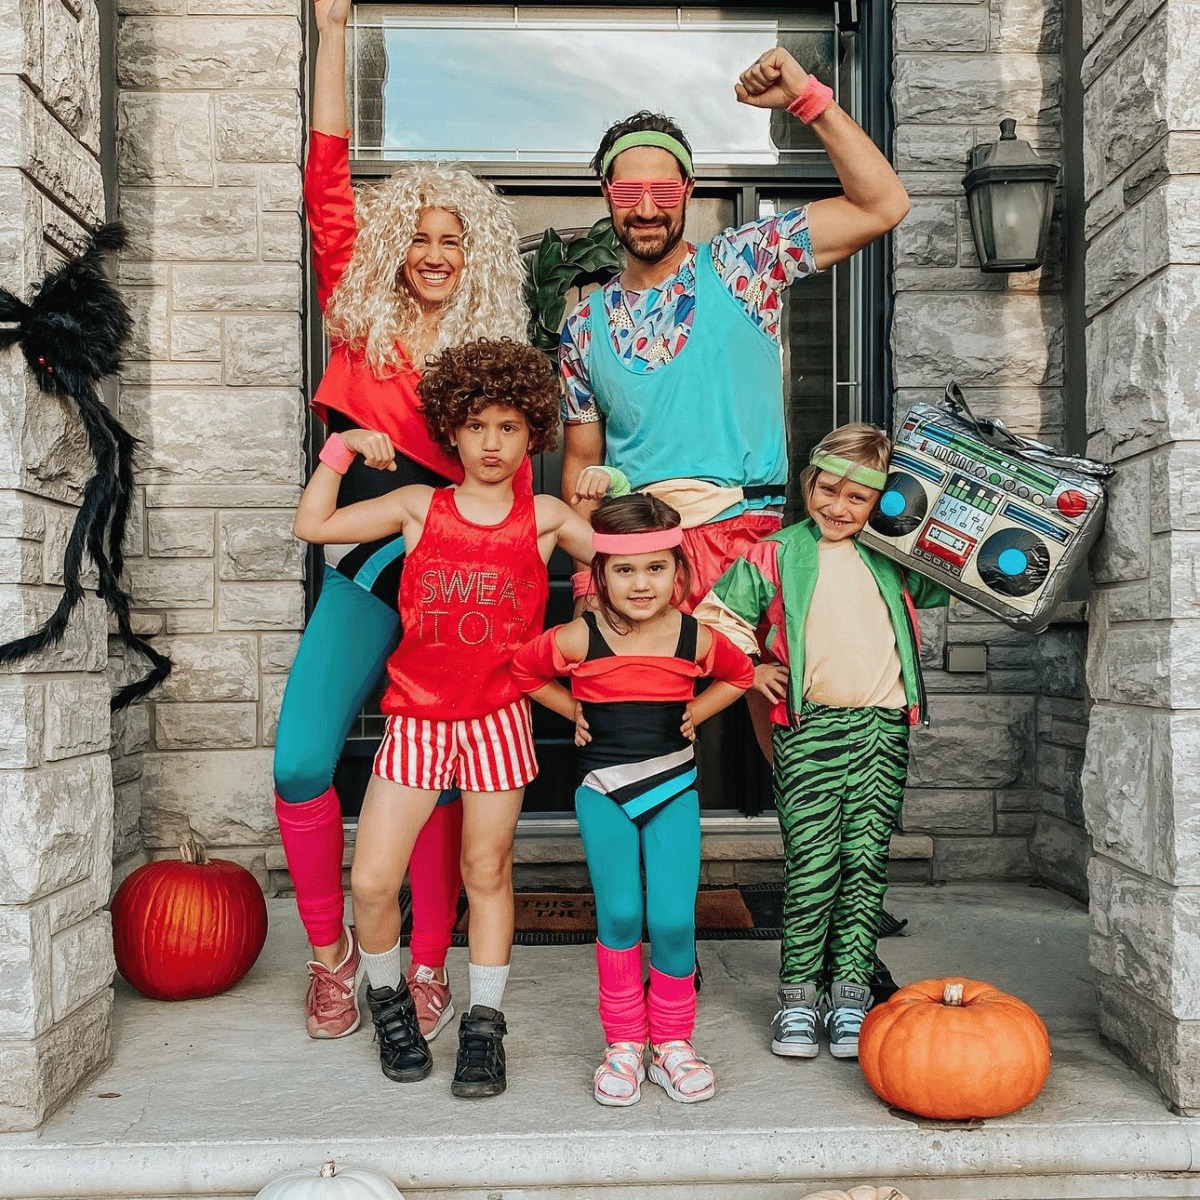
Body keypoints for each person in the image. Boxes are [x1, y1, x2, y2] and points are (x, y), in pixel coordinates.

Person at [273, 0, 530, 1043]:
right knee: (301, 761)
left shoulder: (486, 356)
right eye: (419, 237)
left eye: (452, 240)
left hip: (455, 562)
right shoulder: (355, 305)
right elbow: (326, 174)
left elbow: (510, 480)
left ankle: (423, 964)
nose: (434, 253)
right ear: (393, 245)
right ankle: (334, 958)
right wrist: (333, 31)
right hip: (362, 554)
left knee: (432, 760)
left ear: (476, 259)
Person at [560, 47, 911, 761]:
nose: (649, 209)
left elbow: (884, 204)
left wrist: (808, 99)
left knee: (786, 720)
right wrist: (584, 573)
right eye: (629, 196)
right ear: (607, 196)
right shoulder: (581, 326)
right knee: (632, 735)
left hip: (746, 531)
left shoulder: (742, 265)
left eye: (664, 190)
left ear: (687, 189)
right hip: (641, 548)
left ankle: (808, 866)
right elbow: (582, 465)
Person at [293, 338, 594, 1098]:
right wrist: (340, 447)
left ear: (534, 436)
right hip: (418, 720)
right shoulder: (416, 505)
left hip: (497, 720)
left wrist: (612, 489)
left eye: (511, 428)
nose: (493, 443)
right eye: (478, 426)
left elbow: (642, 564)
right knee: (371, 880)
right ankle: (390, 1001)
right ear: (453, 431)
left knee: (485, 872)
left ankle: (485, 1030)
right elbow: (313, 527)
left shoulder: (549, 516)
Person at [693, 425, 951, 1060]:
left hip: (884, 728)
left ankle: (851, 994)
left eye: (858, 499)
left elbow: (948, 579)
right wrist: (750, 672)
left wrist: (930, 515)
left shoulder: (894, 556)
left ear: (883, 502)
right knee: (812, 868)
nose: (838, 508)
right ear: (808, 484)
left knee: (866, 866)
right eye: (827, 491)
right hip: (811, 733)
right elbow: (708, 630)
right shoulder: (773, 556)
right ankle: (799, 997)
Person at [511, 495, 755, 1105]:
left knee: (672, 920)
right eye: (624, 570)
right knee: (620, 917)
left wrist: (698, 709)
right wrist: (572, 709)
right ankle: (623, 1043)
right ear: (600, 576)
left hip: (674, 791)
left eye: (656, 568)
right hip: (604, 794)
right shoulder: (577, 636)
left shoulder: (697, 638)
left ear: (680, 572)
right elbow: (522, 670)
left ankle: (672, 1042)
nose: (641, 583)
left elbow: (741, 675)